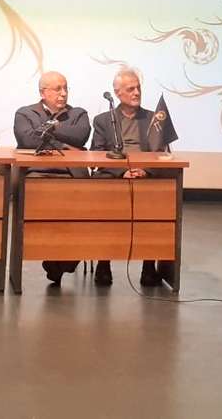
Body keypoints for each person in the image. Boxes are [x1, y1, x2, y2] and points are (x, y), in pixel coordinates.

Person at [90, 69, 177, 287]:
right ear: (117, 93)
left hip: (146, 176)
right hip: (115, 177)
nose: (137, 92)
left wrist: (146, 170)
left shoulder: (153, 118)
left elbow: (163, 153)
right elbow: (97, 154)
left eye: (138, 88)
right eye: (130, 89)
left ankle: (149, 266)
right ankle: (103, 263)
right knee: (105, 205)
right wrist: (122, 172)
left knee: (155, 207)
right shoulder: (103, 120)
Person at [13, 71, 92, 284]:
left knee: (83, 214)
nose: (63, 93)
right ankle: (53, 257)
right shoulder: (25, 113)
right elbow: (27, 140)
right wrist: (64, 145)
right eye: (58, 89)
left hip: (72, 174)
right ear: (43, 92)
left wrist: (51, 129)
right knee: (48, 214)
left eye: (65, 88)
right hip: (39, 174)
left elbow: (80, 135)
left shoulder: (78, 113)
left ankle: (61, 261)